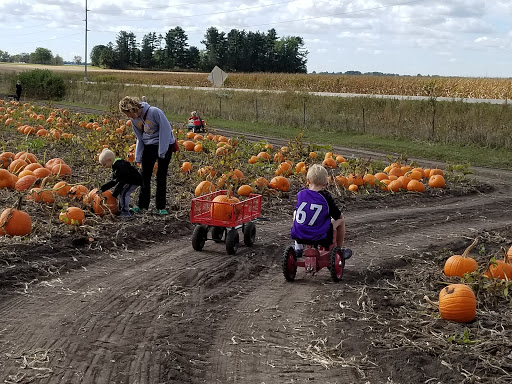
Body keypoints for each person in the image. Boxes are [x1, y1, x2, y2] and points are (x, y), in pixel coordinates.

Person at [119, 96, 176, 215]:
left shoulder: (155, 112)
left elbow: (166, 130)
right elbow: (139, 137)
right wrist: (138, 154)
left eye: (128, 113)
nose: (128, 117)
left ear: (133, 109)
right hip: (149, 145)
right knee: (144, 175)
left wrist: (162, 151)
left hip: (165, 143)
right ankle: (142, 205)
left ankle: (160, 206)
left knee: (161, 175)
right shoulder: (134, 120)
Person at [291, 164, 349, 258]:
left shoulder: (301, 194)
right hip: (321, 237)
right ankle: (339, 250)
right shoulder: (326, 198)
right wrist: (339, 216)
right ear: (325, 183)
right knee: (341, 220)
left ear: (308, 180)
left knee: (295, 213)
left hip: (299, 235)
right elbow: (337, 216)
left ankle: (298, 247)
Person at [99, 148, 143, 217]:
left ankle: (125, 212)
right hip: (129, 180)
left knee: (124, 193)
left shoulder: (120, 165)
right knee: (122, 193)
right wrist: (103, 188)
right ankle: (123, 208)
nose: (105, 167)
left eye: (104, 164)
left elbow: (124, 177)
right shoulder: (115, 166)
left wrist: (117, 189)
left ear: (110, 160)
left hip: (133, 180)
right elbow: (114, 181)